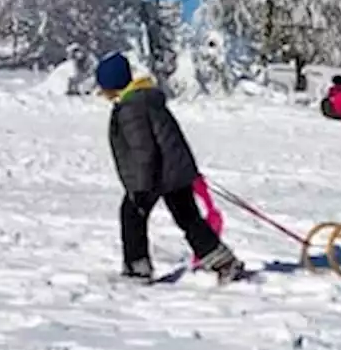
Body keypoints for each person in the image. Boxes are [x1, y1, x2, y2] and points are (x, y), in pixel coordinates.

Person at [95, 52, 247, 284]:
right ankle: (223, 261)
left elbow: (143, 150)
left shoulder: (131, 108)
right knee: (188, 217)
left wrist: (141, 187)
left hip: (157, 175)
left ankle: (138, 267)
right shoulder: (145, 99)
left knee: (132, 214)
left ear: (111, 85)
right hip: (175, 171)